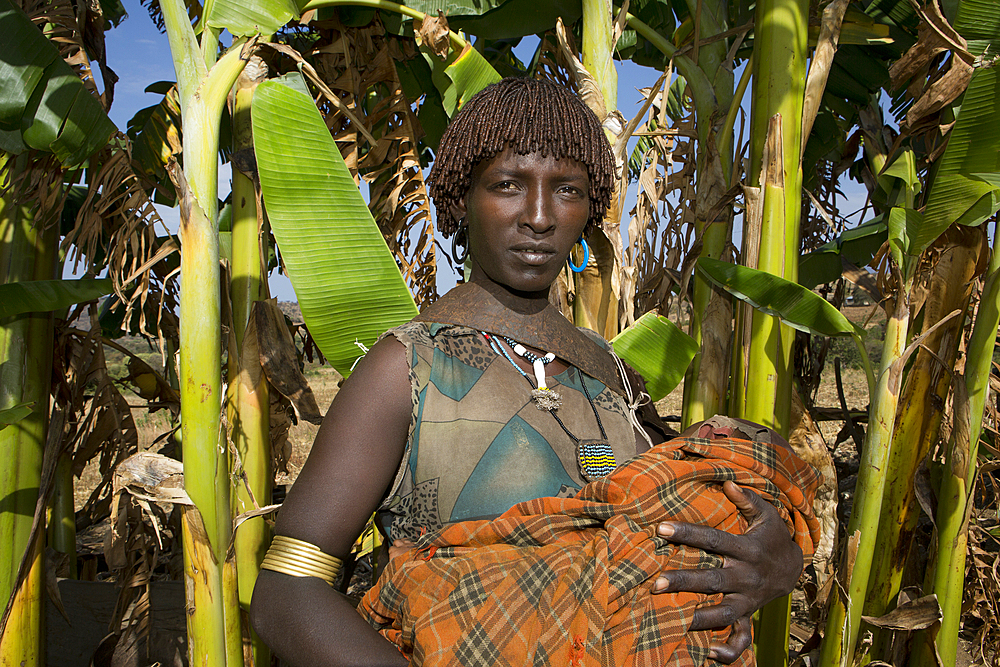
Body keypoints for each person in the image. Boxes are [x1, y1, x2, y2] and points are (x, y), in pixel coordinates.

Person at [250, 77, 810, 667]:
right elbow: (286, 594)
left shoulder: (612, 375)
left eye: (566, 189)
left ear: (590, 207)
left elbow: (667, 522)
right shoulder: (405, 369)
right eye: (508, 185)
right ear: (461, 197)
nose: (540, 217)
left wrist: (770, 563)